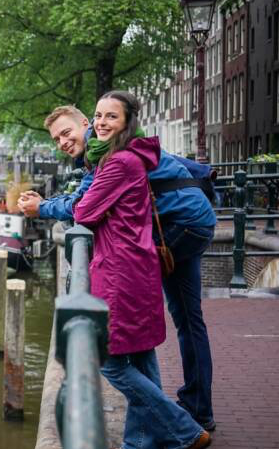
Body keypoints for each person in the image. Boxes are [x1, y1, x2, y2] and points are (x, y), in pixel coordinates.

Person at [19, 104, 217, 432]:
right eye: (56, 140)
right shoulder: (110, 146)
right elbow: (90, 197)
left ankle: (175, 424)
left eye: (67, 133)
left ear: (86, 123)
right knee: (186, 320)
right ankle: (193, 410)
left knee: (135, 309)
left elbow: (83, 206)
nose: (63, 142)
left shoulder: (107, 152)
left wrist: (42, 206)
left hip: (179, 224)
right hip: (194, 217)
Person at [73, 90, 210, 449]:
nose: (101, 123)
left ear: (127, 122)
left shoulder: (119, 162)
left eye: (110, 117)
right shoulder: (131, 158)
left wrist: (89, 203)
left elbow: (83, 212)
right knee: (142, 355)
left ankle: (185, 430)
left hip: (120, 270)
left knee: (106, 359)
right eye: (98, 115)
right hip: (137, 265)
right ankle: (140, 443)